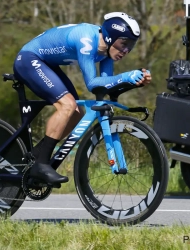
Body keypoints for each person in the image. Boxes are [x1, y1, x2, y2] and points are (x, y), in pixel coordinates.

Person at [13, 12, 152, 186]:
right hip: (29, 59)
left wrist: (135, 82)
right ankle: (40, 164)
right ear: (110, 38)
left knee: (77, 112)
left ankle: (36, 155)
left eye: (131, 45)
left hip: (47, 64)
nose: (126, 50)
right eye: (124, 43)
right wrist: (126, 76)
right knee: (67, 106)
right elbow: (93, 84)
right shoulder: (86, 40)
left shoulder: (107, 51)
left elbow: (106, 86)